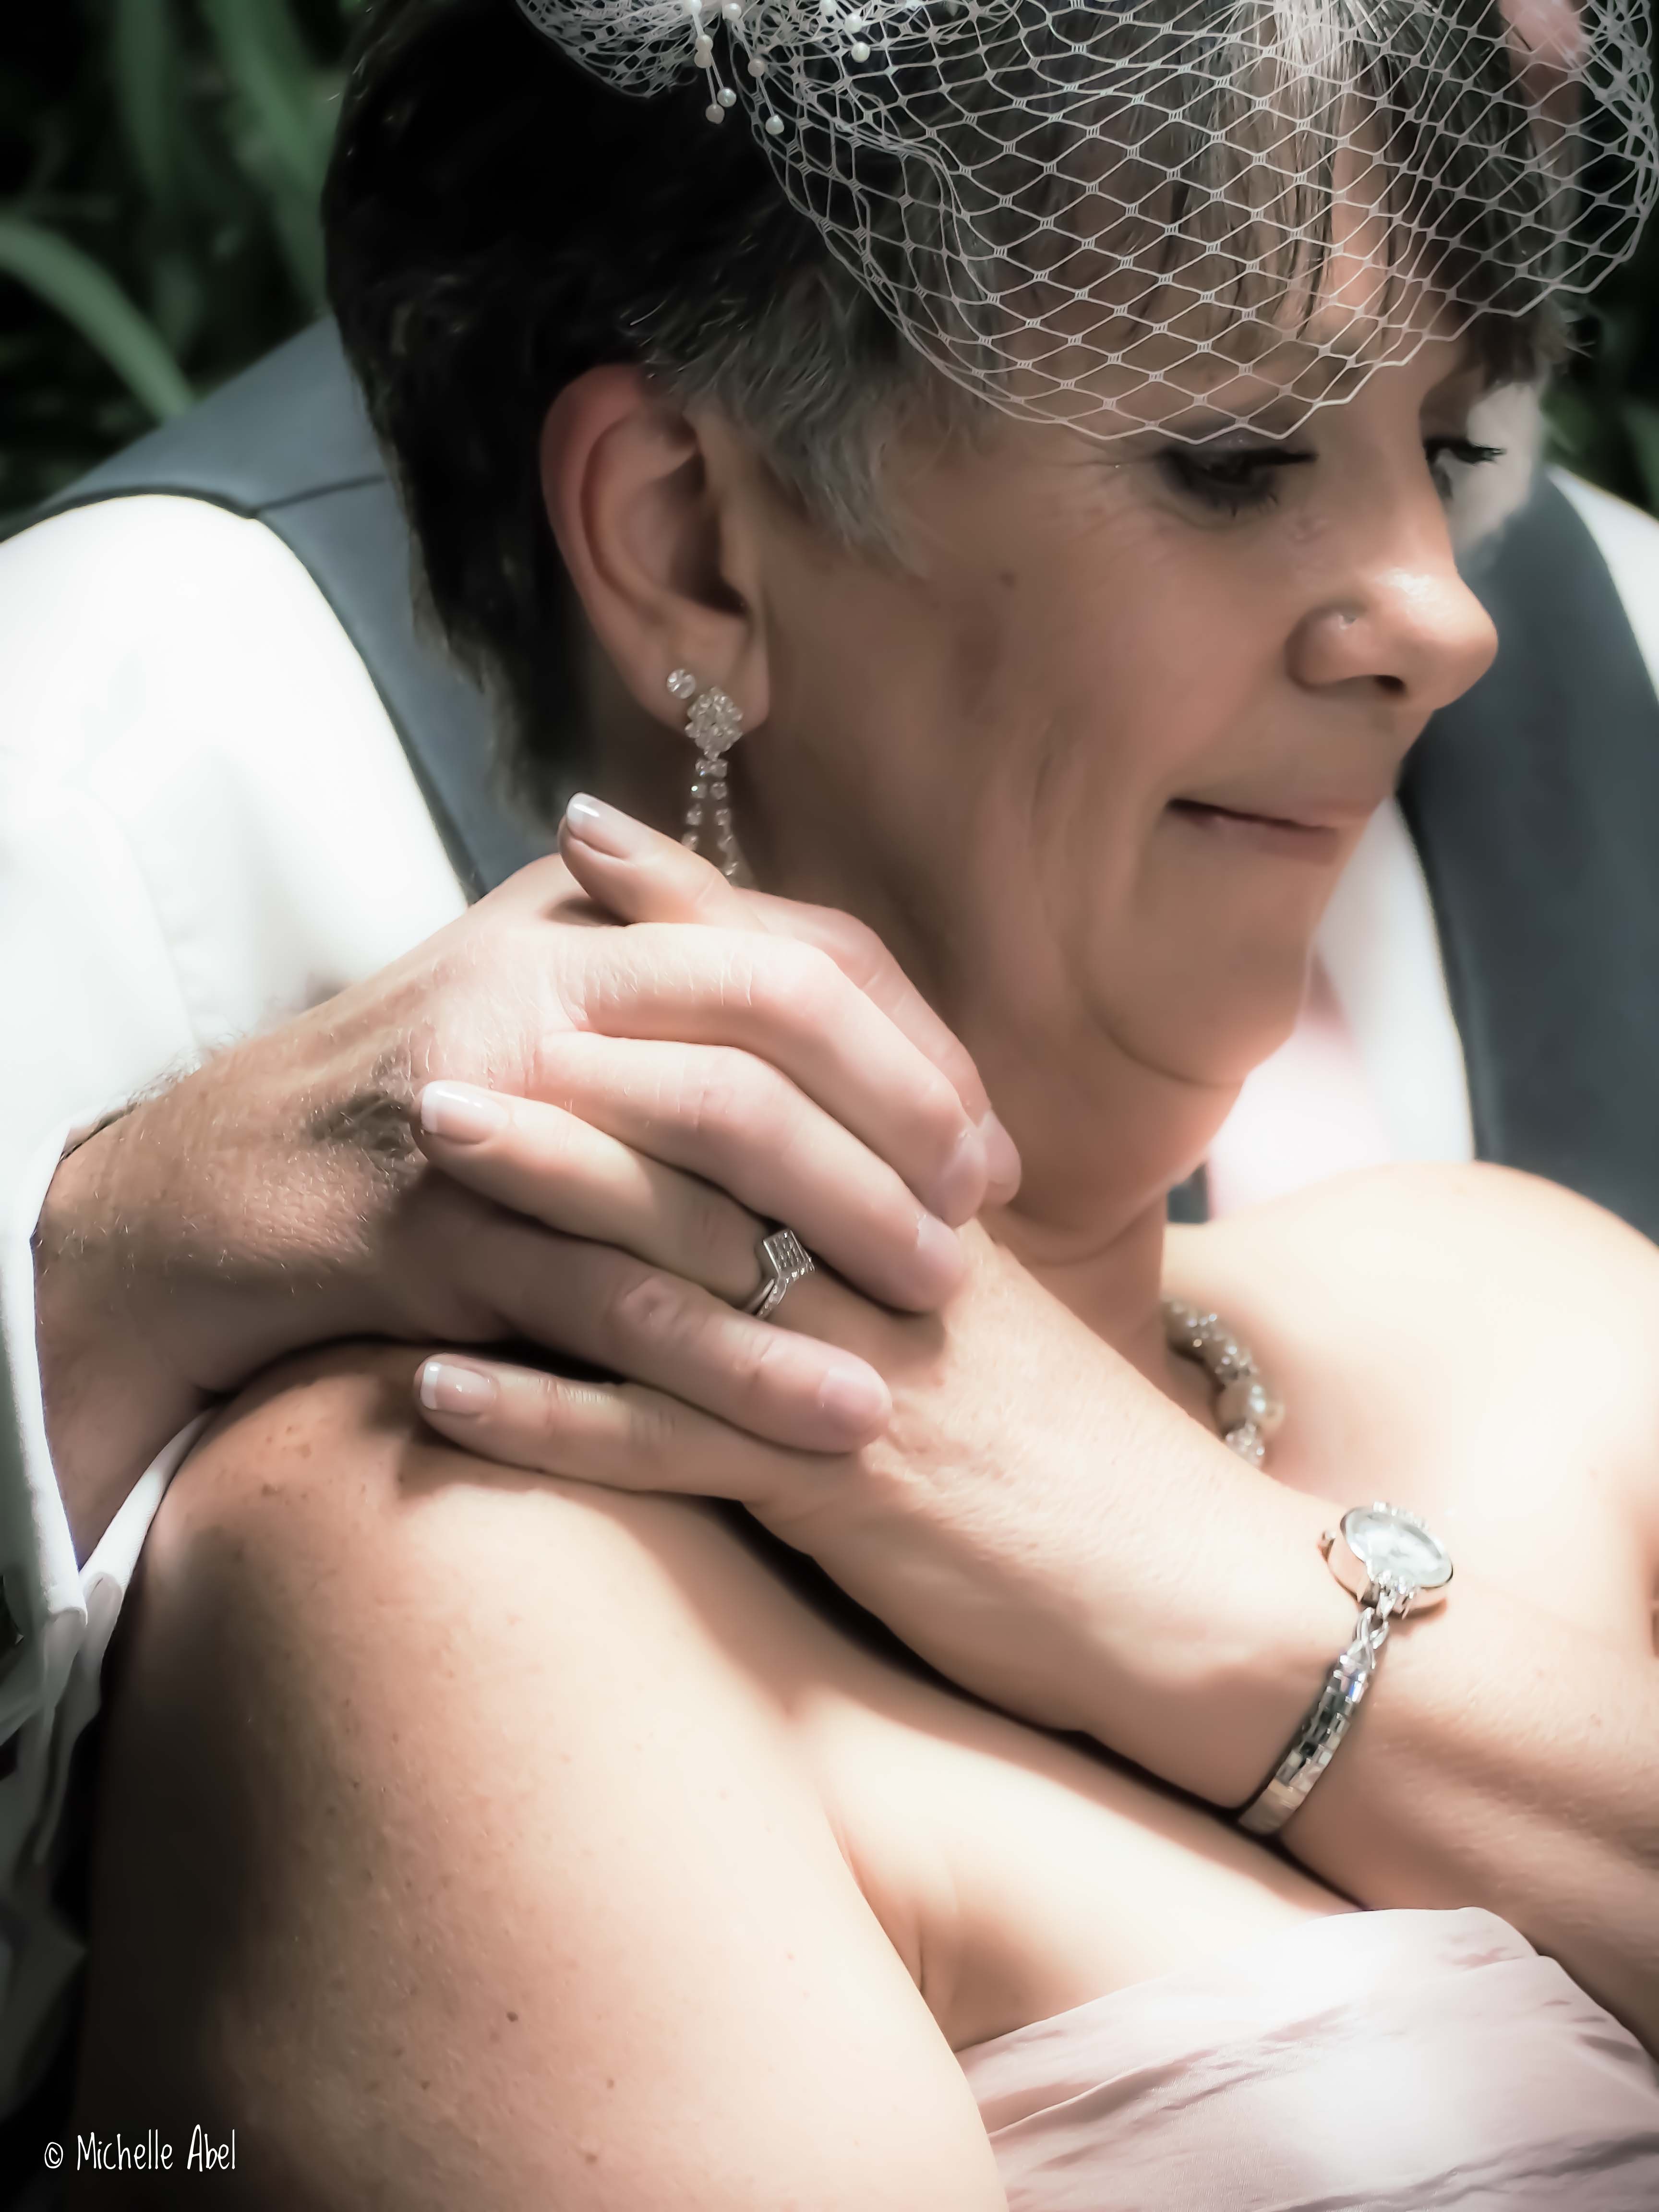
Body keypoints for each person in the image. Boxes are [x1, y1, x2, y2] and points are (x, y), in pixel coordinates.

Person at [41, 0, 1659, 2202]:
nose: (1444, 617)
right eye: (1234, 457)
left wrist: (1209, 1580)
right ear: (693, 544)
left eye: (1444, 451)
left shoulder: (1537, 1309)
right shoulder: (450, 1579)